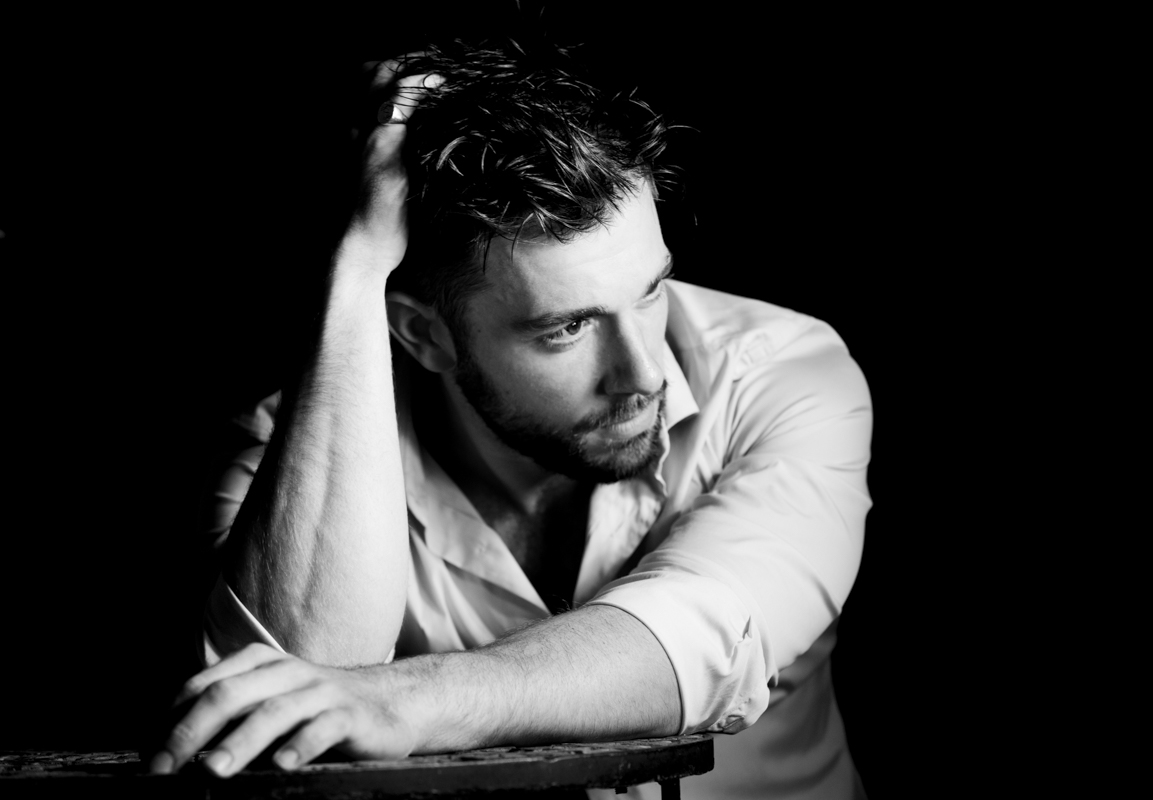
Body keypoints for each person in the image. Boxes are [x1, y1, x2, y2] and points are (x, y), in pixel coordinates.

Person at [152, 39, 873, 799]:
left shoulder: (787, 373)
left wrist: (406, 699)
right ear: (423, 334)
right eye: (567, 328)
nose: (644, 373)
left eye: (651, 291)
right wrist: (357, 268)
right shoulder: (286, 449)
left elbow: (706, 631)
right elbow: (282, 702)